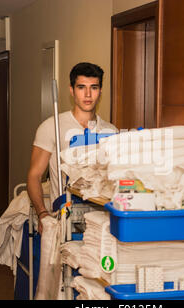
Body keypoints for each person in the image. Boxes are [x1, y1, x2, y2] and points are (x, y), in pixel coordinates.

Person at [27, 62, 117, 234]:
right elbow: (34, 175)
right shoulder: (51, 126)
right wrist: (42, 214)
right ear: (72, 90)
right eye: (81, 87)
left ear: (100, 91)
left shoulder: (110, 131)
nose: (88, 94)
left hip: (102, 215)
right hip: (65, 213)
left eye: (94, 87)